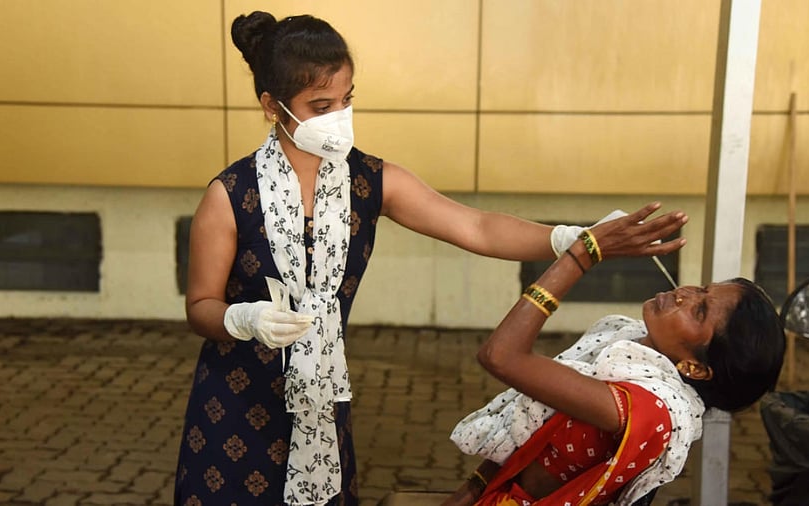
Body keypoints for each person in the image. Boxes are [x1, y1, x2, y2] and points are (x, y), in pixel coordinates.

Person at [173, 11, 685, 506]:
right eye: (320, 105)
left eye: (347, 100)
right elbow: (201, 306)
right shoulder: (231, 194)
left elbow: (477, 227)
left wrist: (577, 237)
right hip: (234, 404)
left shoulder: (368, 179)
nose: (339, 118)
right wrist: (244, 318)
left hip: (321, 401)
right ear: (272, 105)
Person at [441, 204, 786, 506]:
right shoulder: (627, 348)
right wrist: (473, 489)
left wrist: (582, 254)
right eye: (700, 290)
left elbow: (500, 355)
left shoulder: (648, 409)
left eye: (700, 311)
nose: (684, 294)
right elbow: (532, 432)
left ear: (695, 367)